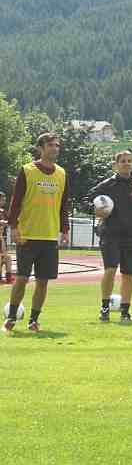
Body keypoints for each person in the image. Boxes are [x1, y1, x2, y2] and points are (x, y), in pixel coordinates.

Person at [3, 133, 69, 333]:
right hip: (27, 234)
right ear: (41, 148)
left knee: (43, 282)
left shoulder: (62, 174)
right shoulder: (27, 170)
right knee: (22, 278)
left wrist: (64, 230)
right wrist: (13, 226)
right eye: (51, 145)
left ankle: (33, 320)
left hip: (49, 237)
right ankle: (11, 318)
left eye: (57, 145)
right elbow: (16, 201)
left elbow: (64, 205)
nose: (55, 149)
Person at [87, 150, 132, 324]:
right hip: (110, 234)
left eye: (129, 161)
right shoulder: (107, 185)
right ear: (115, 164)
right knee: (110, 269)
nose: (126, 163)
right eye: (123, 161)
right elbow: (87, 199)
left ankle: (125, 311)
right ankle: (105, 308)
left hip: (131, 237)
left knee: (128, 274)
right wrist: (97, 209)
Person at [0, 191, 14, 284]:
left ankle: (9, 277)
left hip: (1, 239)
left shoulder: (3, 212)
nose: (4, 201)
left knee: (7, 257)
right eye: (2, 199)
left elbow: (10, 220)